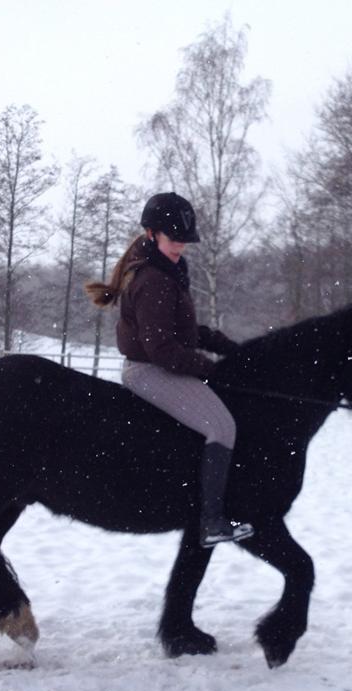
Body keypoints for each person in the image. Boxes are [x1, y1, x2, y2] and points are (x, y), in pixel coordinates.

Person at [85, 192, 254, 548]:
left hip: (158, 364)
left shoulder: (168, 271)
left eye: (183, 240)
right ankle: (210, 521)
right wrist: (212, 370)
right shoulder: (153, 280)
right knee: (222, 427)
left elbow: (185, 333)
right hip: (150, 371)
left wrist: (231, 349)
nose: (179, 245)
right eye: (173, 238)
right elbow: (162, 349)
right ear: (152, 234)